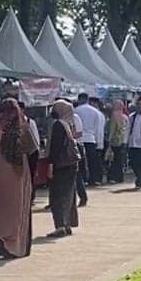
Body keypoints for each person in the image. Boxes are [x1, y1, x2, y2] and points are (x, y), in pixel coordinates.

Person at [0, 98, 36, 258]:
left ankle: (2, 240)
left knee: (4, 206)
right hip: (17, 171)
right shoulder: (22, 126)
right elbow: (33, 150)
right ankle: (10, 242)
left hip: (7, 170)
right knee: (13, 206)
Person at [47, 100, 80, 239]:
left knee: (57, 195)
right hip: (71, 165)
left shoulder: (58, 125)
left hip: (61, 165)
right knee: (68, 195)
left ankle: (60, 225)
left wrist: (50, 165)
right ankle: (67, 224)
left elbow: (55, 147)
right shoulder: (69, 123)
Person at [74, 94, 105, 186]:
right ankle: (93, 179)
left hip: (79, 139)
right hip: (91, 139)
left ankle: (83, 179)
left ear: (79, 99)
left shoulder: (75, 111)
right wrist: (98, 142)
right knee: (92, 161)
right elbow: (97, 129)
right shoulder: (95, 112)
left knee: (81, 161)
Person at [105, 101, 128, 184]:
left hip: (115, 141)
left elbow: (112, 129)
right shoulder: (125, 116)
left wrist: (109, 140)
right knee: (119, 159)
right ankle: (120, 177)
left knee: (113, 159)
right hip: (123, 141)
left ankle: (112, 176)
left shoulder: (114, 116)